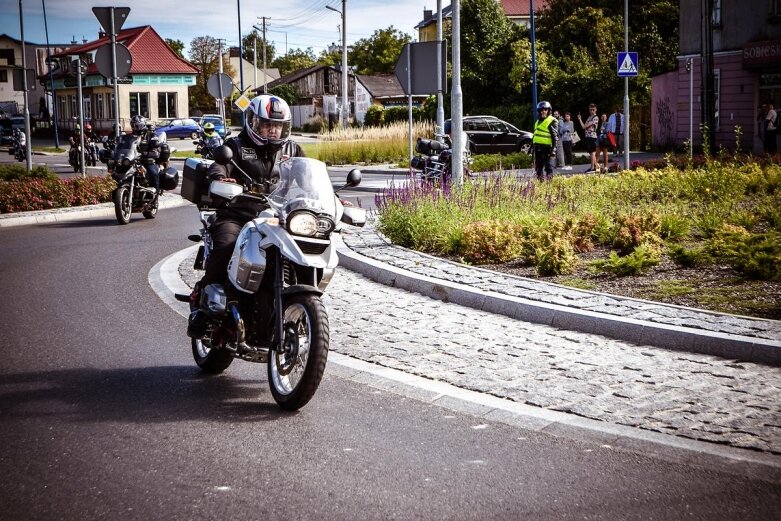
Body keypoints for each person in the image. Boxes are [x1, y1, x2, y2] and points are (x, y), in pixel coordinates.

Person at [187, 94, 305, 339]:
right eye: (266, 125)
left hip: (277, 219)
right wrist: (219, 179)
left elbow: (308, 178)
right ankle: (205, 308)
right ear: (253, 122)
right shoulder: (235, 146)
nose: (273, 131)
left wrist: (332, 199)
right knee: (226, 246)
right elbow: (218, 166)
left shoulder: (292, 149)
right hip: (238, 215)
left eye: (278, 126)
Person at [132, 115, 168, 197]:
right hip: (135, 159)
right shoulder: (131, 136)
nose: (135, 127)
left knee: (153, 173)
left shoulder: (149, 134)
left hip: (148, 160)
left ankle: (155, 193)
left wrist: (154, 143)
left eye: (137, 125)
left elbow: (155, 141)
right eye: (134, 125)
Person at [531, 100, 559, 182]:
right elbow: (535, 135)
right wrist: (531, 148)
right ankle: (540, 182)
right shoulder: (538, 121)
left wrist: (553, 150)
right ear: (539, 111)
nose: (543, 112)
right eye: (542, 110)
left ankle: (549, 183)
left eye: (545, 110)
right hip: (538, 147)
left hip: (547, 148)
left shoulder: (552, 121)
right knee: (538, 167)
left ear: (548, 111)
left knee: (548, 167)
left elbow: (555, 137)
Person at [577, 104, 600, 173]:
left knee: (592, 152)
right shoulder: (589, 117)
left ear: (596, 109)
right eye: (590, 110)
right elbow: (583, 126)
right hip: (587, 136)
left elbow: (585, 126)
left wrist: (585, 125)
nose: (591, 111)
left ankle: (592, 168)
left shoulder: (595, 117)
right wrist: (579, 119)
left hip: (592, 136)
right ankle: (596, 166)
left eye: (593, 109)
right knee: (591, 152)